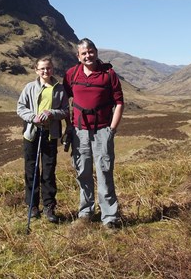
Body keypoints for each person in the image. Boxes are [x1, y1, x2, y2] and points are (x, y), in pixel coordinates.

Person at [63, 38, 124, 229]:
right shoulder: (71, 74)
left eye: (90, 51)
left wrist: (112, 129)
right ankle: (86, 213)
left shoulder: (109, 74)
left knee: (104, 172)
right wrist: (69, 126)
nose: (88, 55)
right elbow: (64, 101)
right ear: (78, 56)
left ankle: (109, 217)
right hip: (79, 132)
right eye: (84, 53)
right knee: (83, 172)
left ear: (96, 52)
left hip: (102, 131)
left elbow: (119, 102)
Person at [17, 56, 69, 223]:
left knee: (48, 172)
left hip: (50, 135)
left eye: (49, 68)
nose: (46, 71)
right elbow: (20, 107)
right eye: (42, 69)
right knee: (31, 170)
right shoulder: (29, 87)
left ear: (52, 69)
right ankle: (32, 205)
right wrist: (33, 117)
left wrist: (51, 113)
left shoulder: (59, 89)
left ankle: (49, 206)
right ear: (36, 70)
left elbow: (65, 110)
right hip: (32, 134)